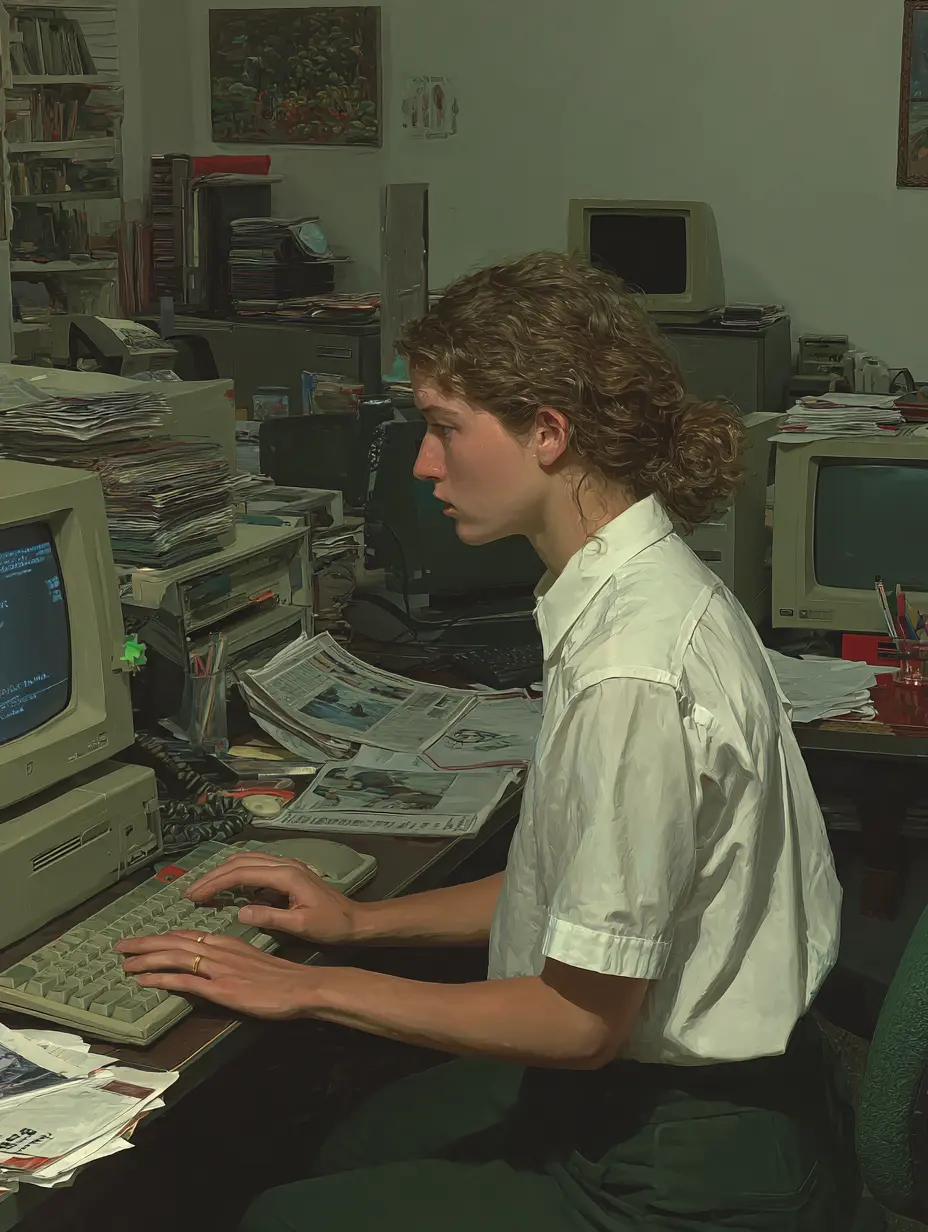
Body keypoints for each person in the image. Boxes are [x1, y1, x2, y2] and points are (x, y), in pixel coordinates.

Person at [117, 253, 854, 1230]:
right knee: (334, 1141)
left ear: (547, 431)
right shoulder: (626, 590)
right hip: (652, 1092)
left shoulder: (634, 668)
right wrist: (358, 923)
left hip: (686, 1158)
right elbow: (579, 891)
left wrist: (306, 987)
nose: (424, 465)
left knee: (278, 1212)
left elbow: (577, 1018)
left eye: (442, 427)